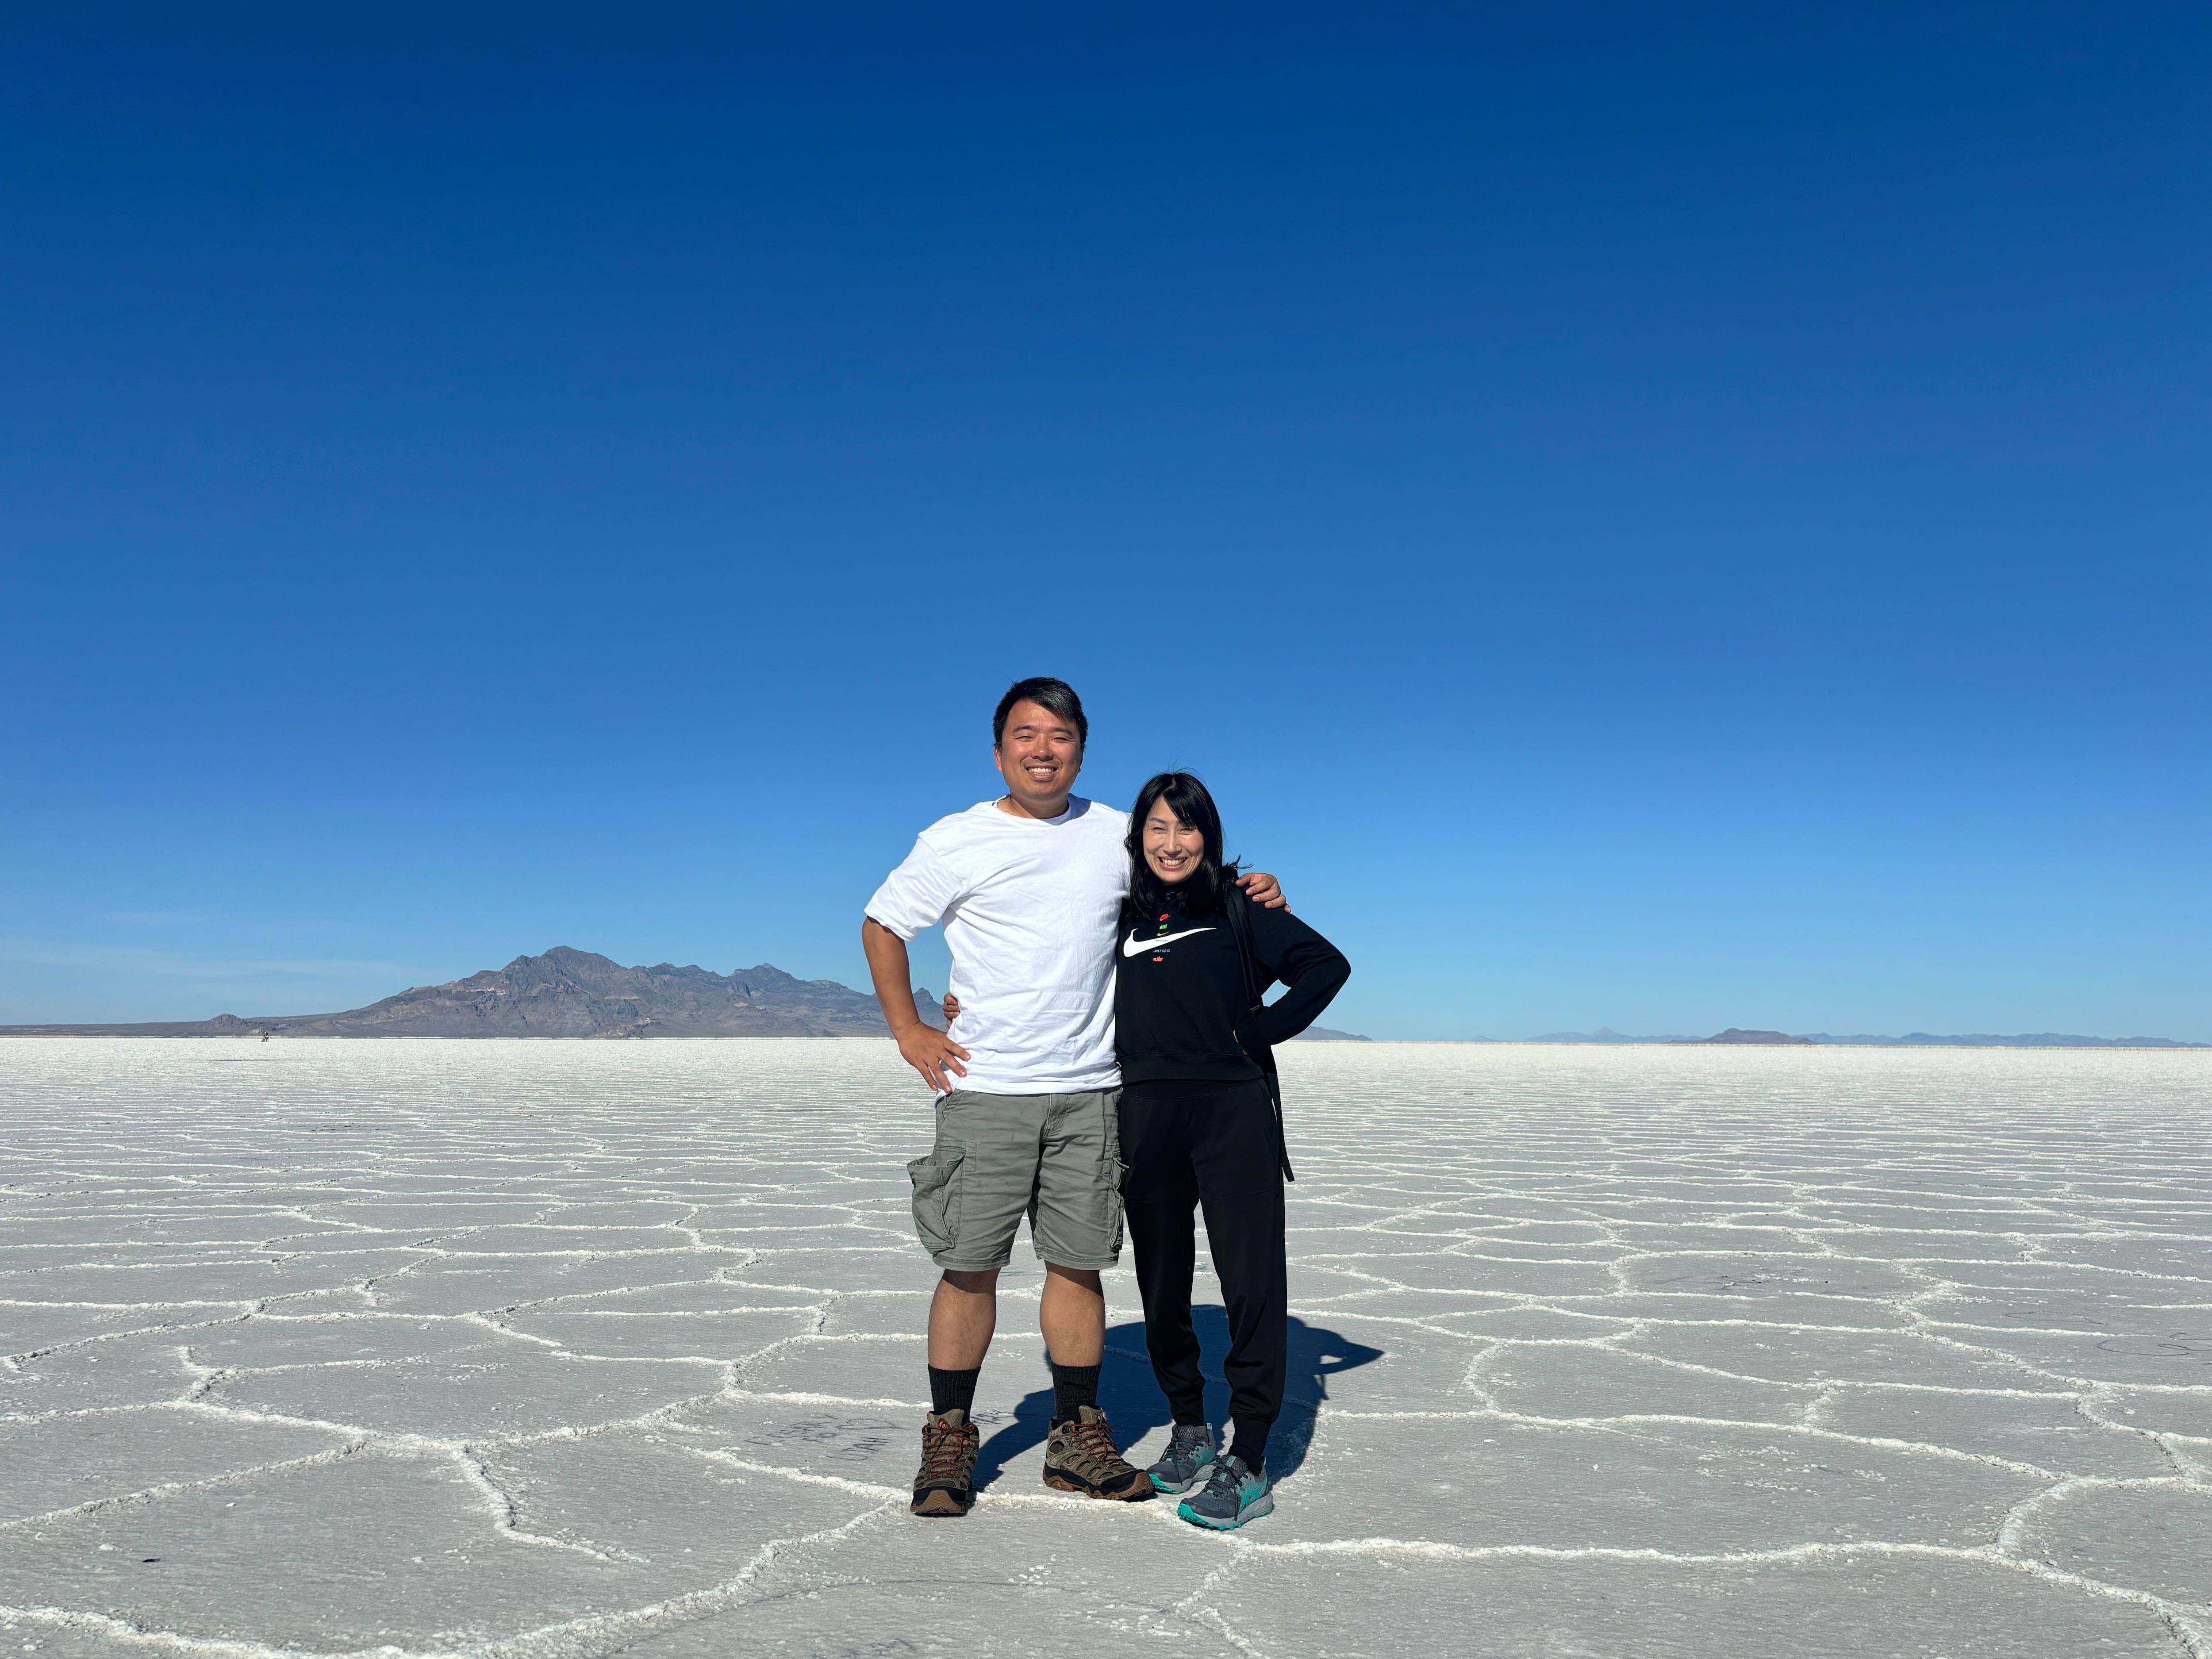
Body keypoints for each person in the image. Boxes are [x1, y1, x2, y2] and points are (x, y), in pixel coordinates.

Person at [860, 679, 1286, 1519]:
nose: (1042, 749)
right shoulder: (957, 838)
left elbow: (1180, 878)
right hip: (989, 1089)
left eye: (1059, 735)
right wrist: (909, 1027)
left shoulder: (1114, 836)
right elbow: (883, 923)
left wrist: (1251, 888)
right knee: (970, 1264)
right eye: (1026, 734)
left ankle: (1076, 1437)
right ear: (999, 753)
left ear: (1082, 752)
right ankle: (949, 1436)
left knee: (1077, 1263)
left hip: (1093, 1090)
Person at [1116, 771, 1348, 1531]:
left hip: (1232, 1113)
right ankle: (1190, 1427)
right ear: (1138, 836)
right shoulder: (1120, 913)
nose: (1171, 843)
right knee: (1161, 1280)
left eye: (1186, 828)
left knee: (1251, 1281)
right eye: (1157, 827)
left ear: (1208, 836)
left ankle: (1249, 1456)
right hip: (1145, 1114)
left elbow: (1326, 966)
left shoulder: (1239, 904)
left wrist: (1257, 1032)